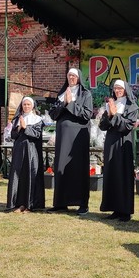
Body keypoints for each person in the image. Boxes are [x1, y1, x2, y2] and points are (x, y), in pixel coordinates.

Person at [48, 68, 93, 215]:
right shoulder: (62, 93)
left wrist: (71, 103)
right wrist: (63, 103)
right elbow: (53, 114)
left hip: (78, 138)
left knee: (78, 168)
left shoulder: (85, 94)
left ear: (79, 77)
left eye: (74, 75)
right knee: (61, 167)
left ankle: (82, 204)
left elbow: (87, 114)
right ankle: (60, 203)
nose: (71, 78)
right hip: (63, 137)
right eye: (69, 75)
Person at [99, 80, 138, 222]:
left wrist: (115, 115)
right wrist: (109, 115)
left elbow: (127, 126)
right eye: (115, 88)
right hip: (110, 142)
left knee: (123, 174)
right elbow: (102, 126)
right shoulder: (110, 104)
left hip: (123, 142)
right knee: (112, 173)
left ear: (125, 89)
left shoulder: (131, 106)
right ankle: (114, 208)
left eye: (120, 88)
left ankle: (125, 211)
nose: (117, 90)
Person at [6, 96, 45, 213]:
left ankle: (30, 204)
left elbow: (37, 134)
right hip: (19, 150)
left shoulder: (38, 119)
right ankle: (18, 203)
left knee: (30, 175)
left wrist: (25, 127)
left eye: (28, 104)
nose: (26, 106)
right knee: (18, 175)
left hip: (31, 151)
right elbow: (13, 136)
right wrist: (19, 128)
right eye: (24, 104)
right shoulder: (17, 119)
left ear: (32, 106)